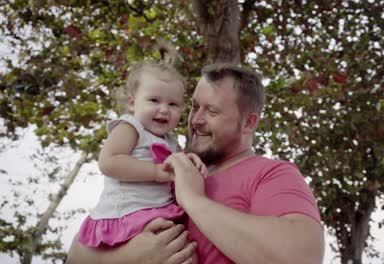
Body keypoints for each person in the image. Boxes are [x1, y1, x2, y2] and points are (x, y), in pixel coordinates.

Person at [68, 63, 324, 264]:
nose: (195, 120)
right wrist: (127, 259)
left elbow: (302, 257)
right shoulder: (166, 166)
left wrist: (194, 200)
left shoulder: (271, 173)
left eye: (211, 112)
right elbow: (75, 256)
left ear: (248, 123)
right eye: (194, 107)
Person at [76, 62, 206, 251]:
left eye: (173, 104)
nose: (164, 109)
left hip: (159, 211)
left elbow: (177, 166)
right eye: (154, 100)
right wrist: (154, 171)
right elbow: (109, 162)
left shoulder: (170, 140)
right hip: (128, 214)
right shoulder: (131, 127)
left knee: (186, 254)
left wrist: (191, 161)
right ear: (132, 103)